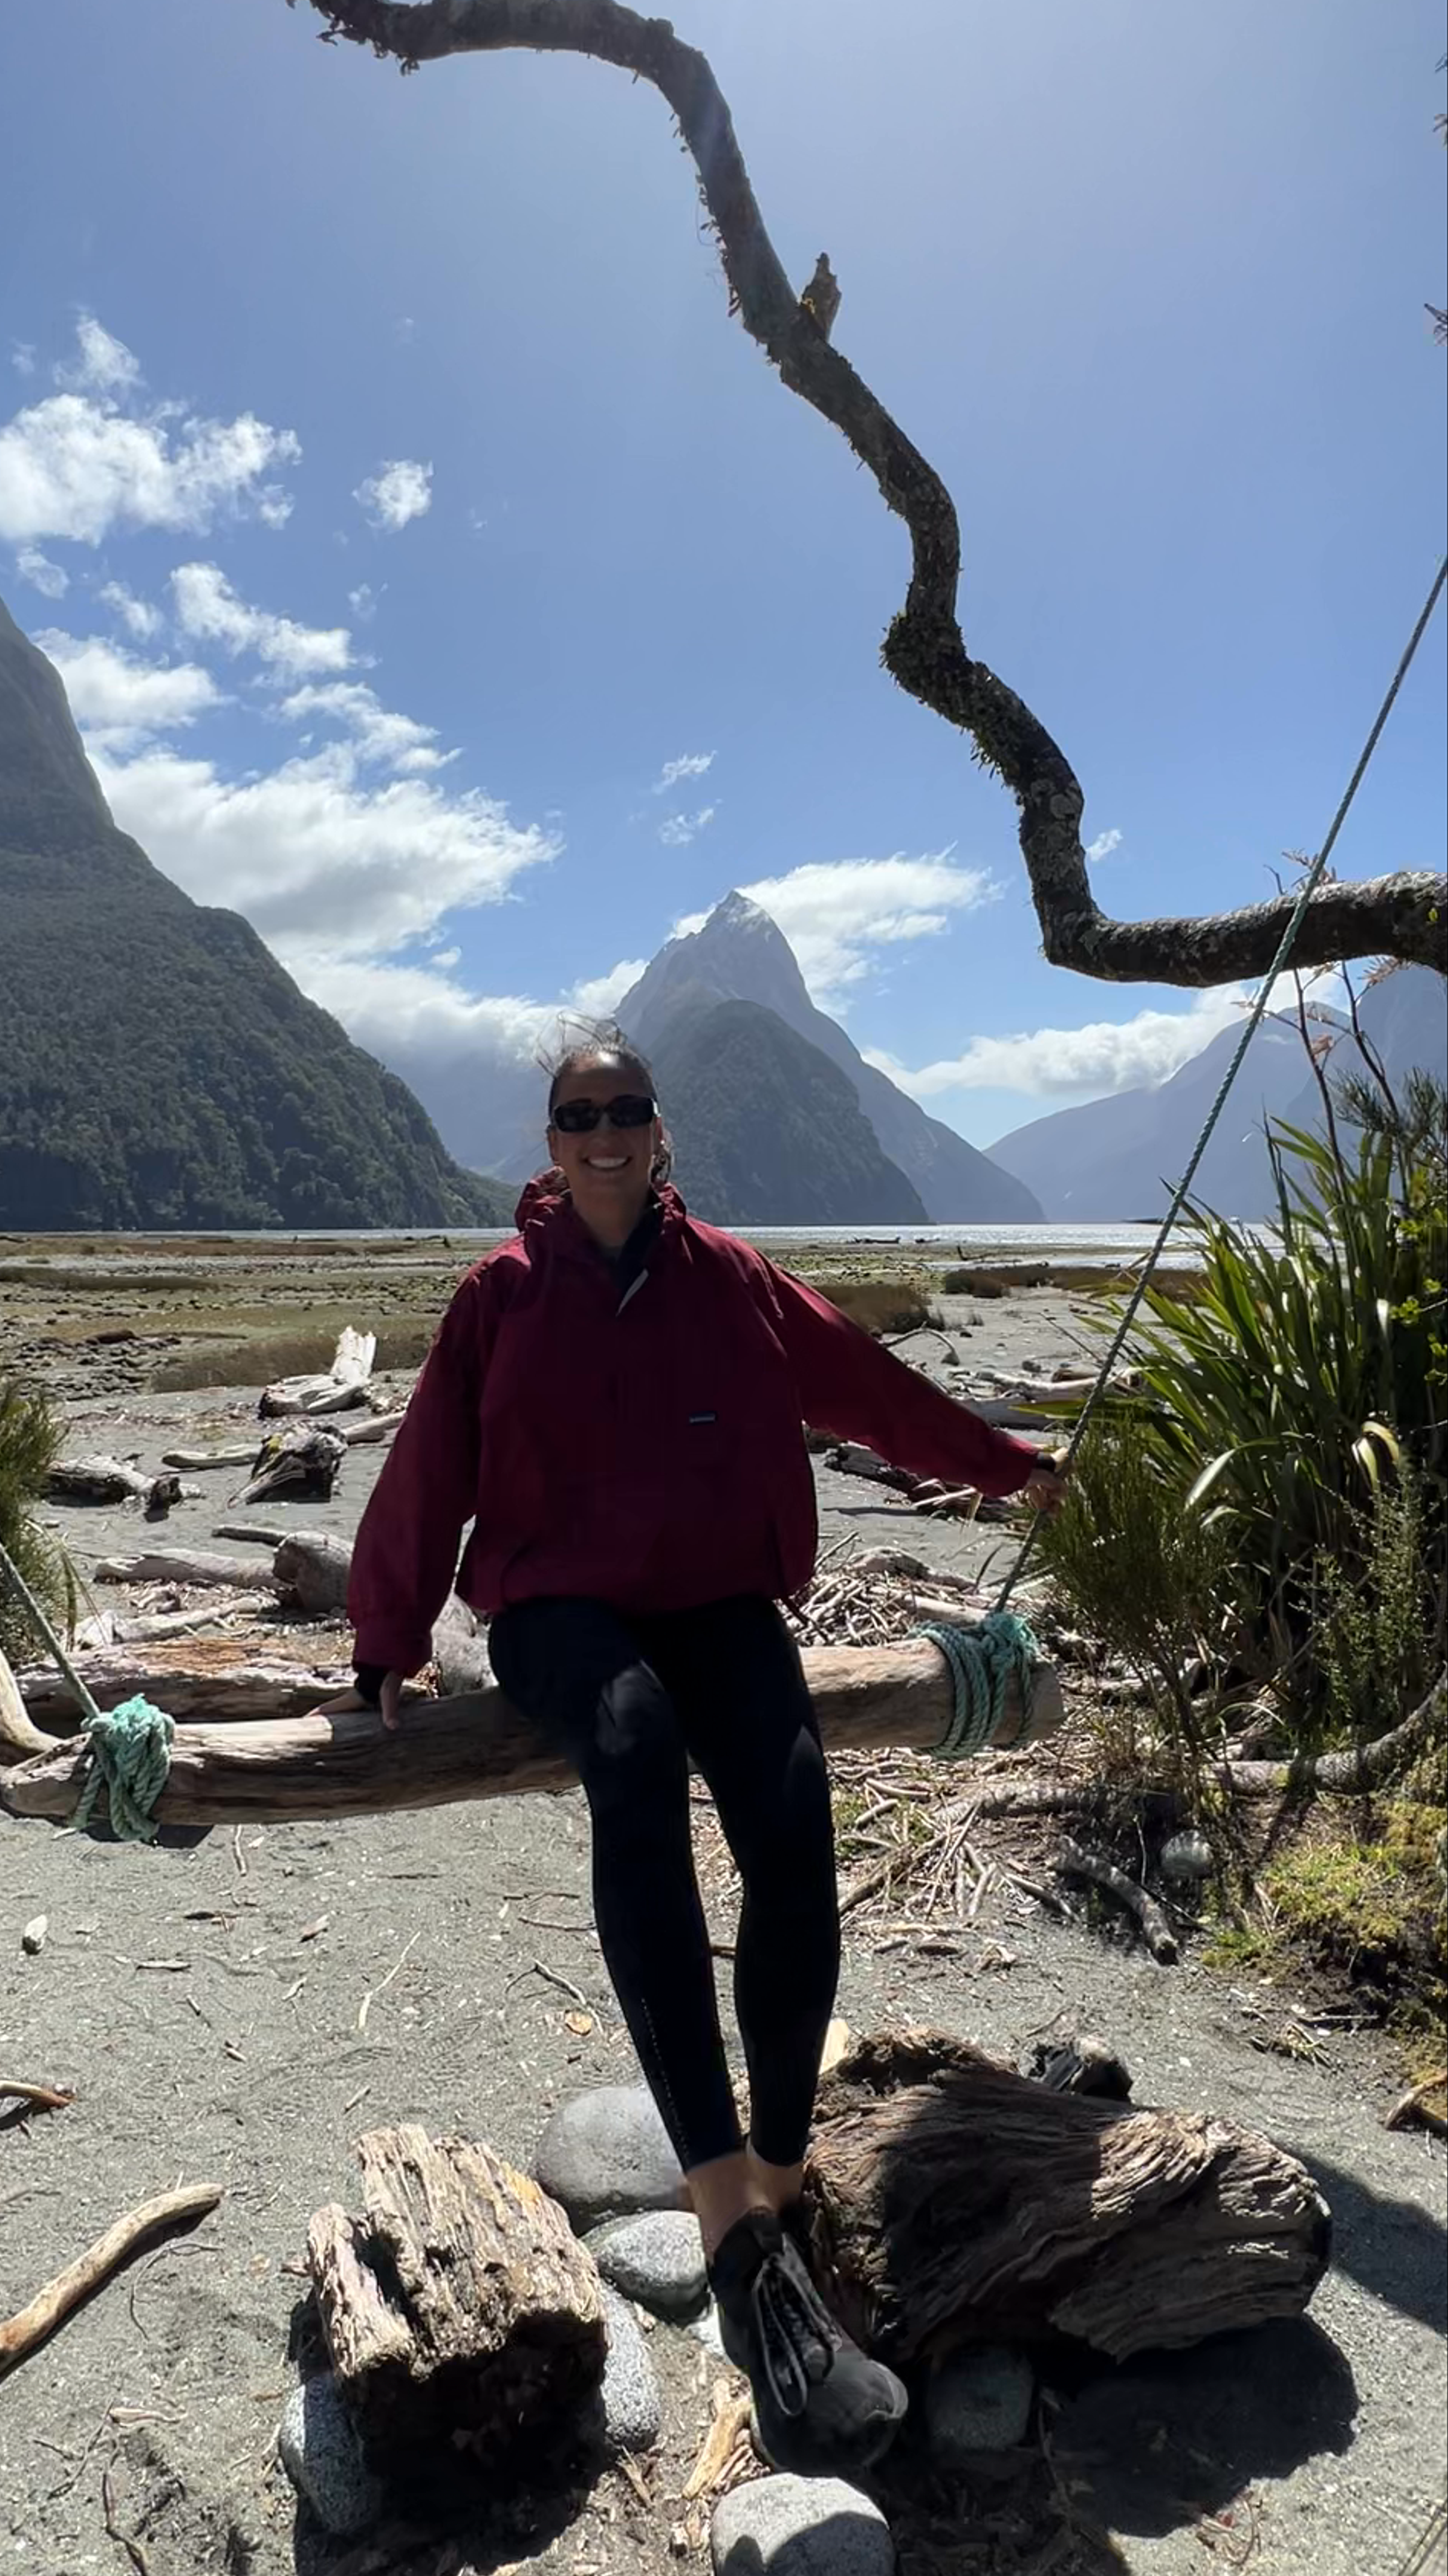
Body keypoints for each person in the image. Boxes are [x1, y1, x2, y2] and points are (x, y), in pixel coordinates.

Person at [332, 1030, 1064, 2476]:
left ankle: (778, 2192)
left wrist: (1011, 1467)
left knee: (795, 1821)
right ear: (548, 1144)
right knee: (632, 1743)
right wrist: (385, 1635)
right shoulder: (503, 1295)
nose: (604, 1131)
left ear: (662, 1133)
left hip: (721, 1602)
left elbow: (867, 1384)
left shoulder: (730, 1276)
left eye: (626, 1109)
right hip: (559, 1611)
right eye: (576, 1113)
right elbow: (428, 1468)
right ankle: (730, 2224)